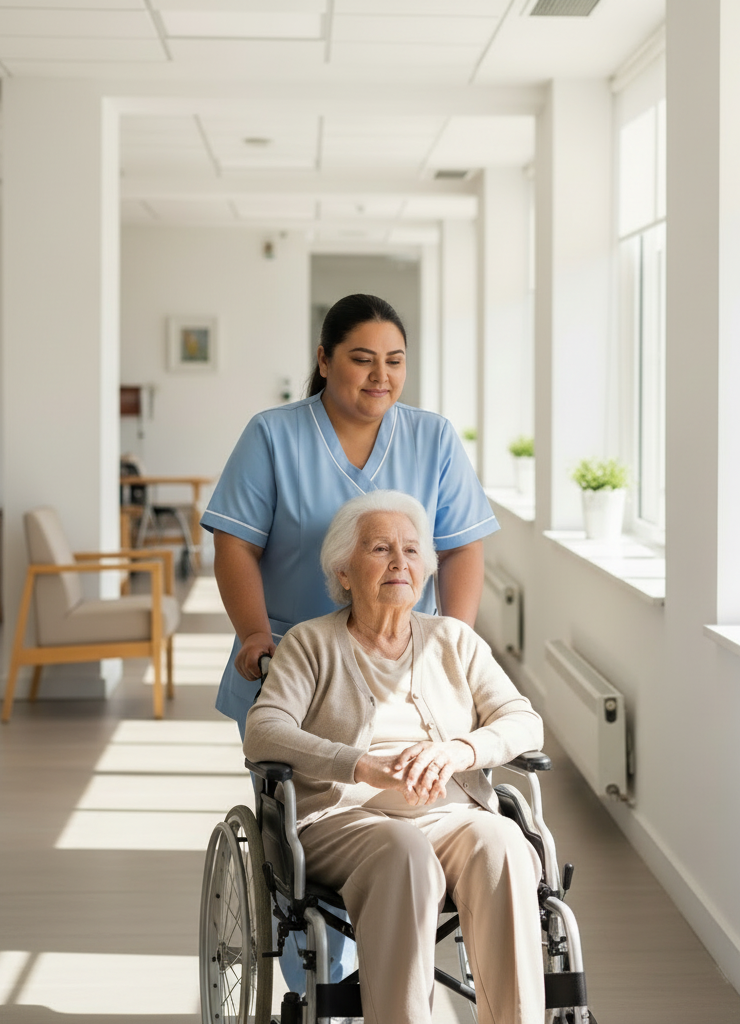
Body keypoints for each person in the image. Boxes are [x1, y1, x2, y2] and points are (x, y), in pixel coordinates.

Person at [199, 293, 499, 987]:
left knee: (413, 817)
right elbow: (235, 544)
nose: (380, 377)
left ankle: (394, 970)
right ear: (325, 359)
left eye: (394, 362)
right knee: (308, 838)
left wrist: (454, 640)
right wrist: (251, 634)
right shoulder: (274, 434)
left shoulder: (432, 437)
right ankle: (325, 987)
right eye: (362, 360)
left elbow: (461, 549)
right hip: (295, 666)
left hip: (401, 663)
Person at [244, 491, 545, 1024]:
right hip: (344, 819)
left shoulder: (455, 641)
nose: (400, 562)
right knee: (404, 851)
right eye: (380, 548)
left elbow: (523, 720)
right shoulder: (308, 644)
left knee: (504, 844)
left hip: (449, 816)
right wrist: (358, 764)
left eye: (412, 551)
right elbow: (264, 731)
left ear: (426, 571)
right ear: (343, 570)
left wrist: (460, 750)